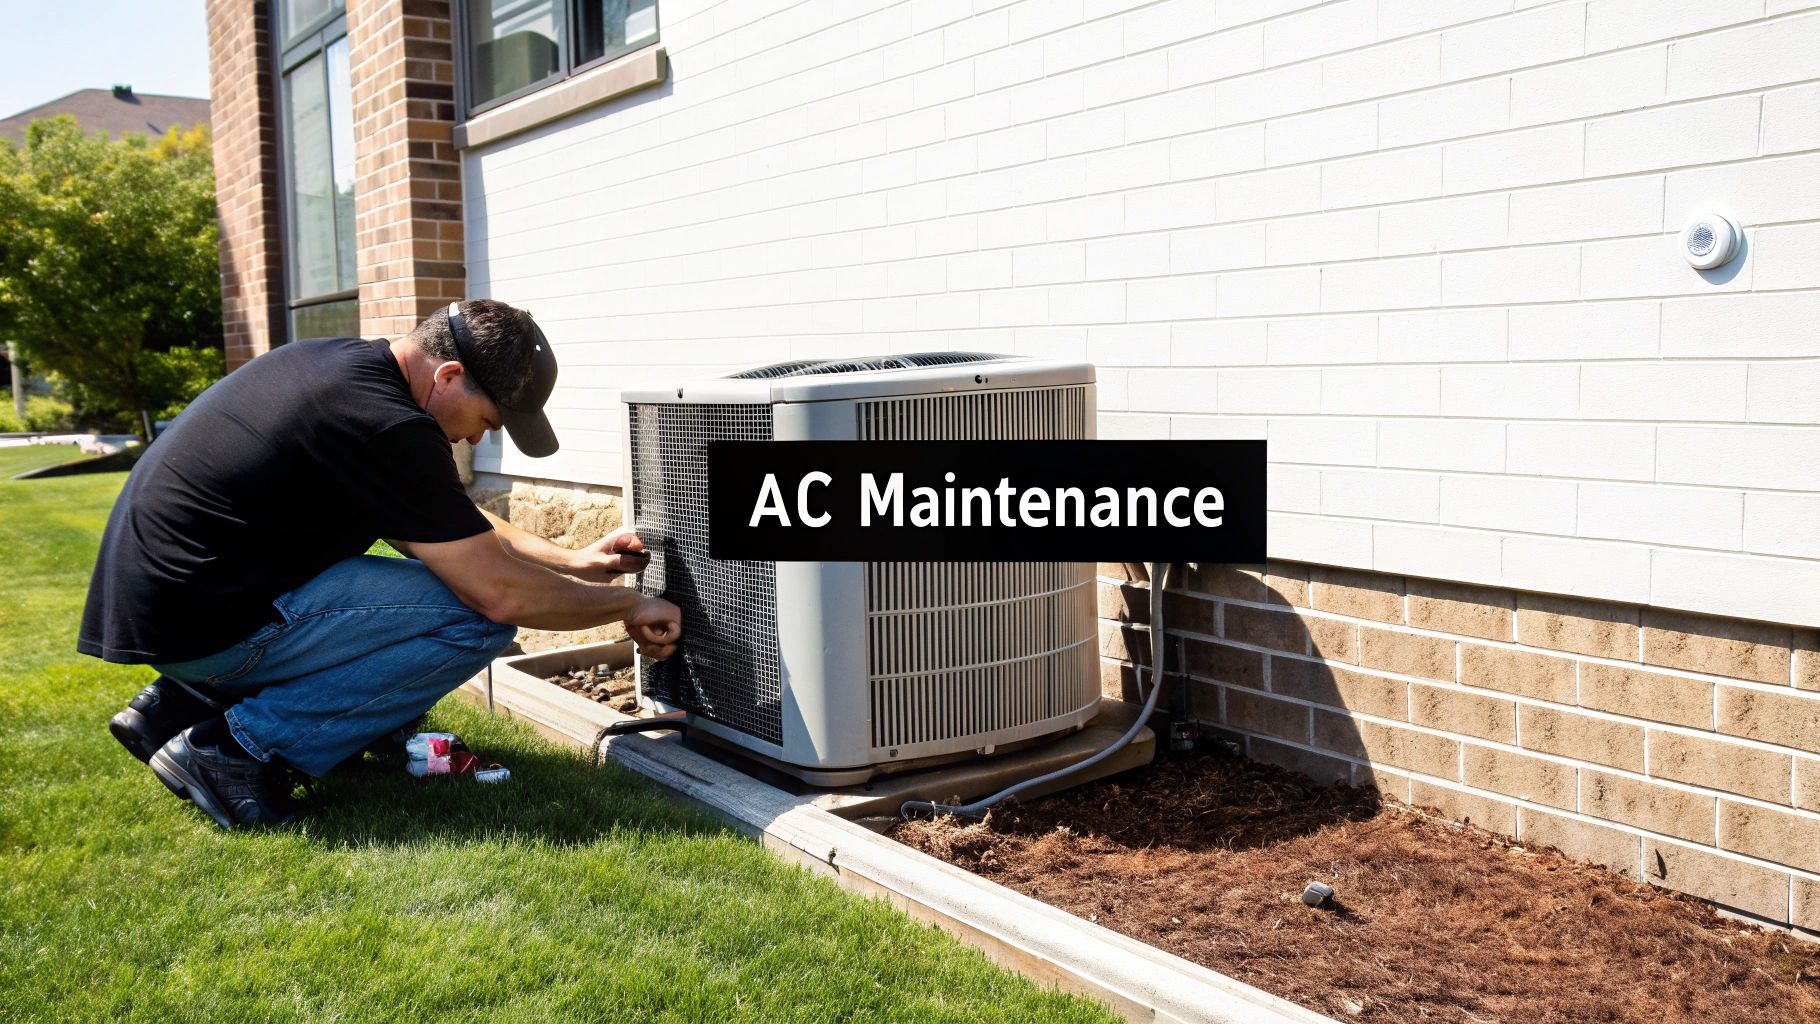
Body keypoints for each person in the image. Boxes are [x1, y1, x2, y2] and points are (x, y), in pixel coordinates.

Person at [78, 300, 682, 829]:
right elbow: (498, 594)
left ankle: (181, 703)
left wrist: (573, 560)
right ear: (448, 376)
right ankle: (236, 750)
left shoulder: (341, 369)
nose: (477, 441)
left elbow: (445, 519)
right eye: (487, 422)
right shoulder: (386, 423)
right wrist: (630, 605)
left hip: (172, 612)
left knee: (449, 592)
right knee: (475, 620)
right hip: (208, 624)